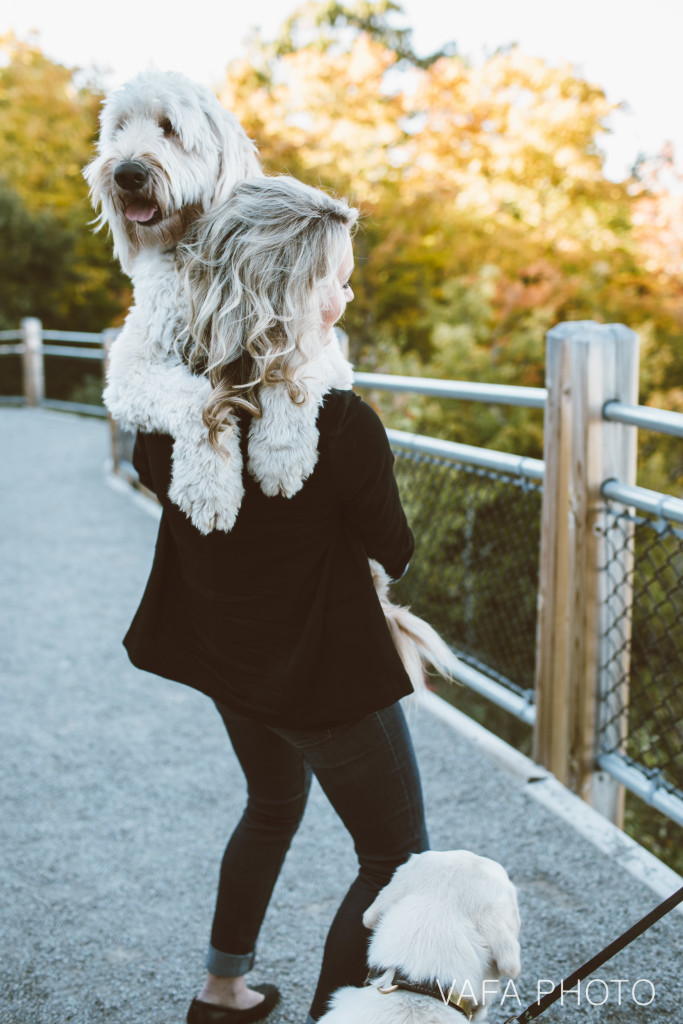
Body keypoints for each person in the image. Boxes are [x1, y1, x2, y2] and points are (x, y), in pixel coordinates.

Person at [123, 175, 430, 1024]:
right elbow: (394, 551)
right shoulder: (341, 424)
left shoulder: (172, 419)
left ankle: (224, 990)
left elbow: (170, 486)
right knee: (395, 859)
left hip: (231, 663)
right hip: (319, 680)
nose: (347, 292)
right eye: (333, 276)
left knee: (271, 802)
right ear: (290, 288)